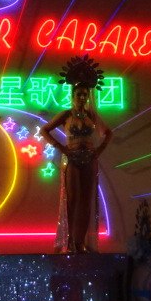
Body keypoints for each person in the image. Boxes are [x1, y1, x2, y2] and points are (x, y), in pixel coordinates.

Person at [41, 55, 112, 253]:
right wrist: (60, 147)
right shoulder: (66, 114)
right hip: (72, 158)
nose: (82, 98)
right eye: (79, 94)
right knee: (72, 200)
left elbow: (108, 133)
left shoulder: (92, 116)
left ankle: (81, 242)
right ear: (73, 95)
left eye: (85, 95)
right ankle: (70, 242)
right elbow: (44, 130)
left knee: (86, 200)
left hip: (89, 159)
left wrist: (98, 151)